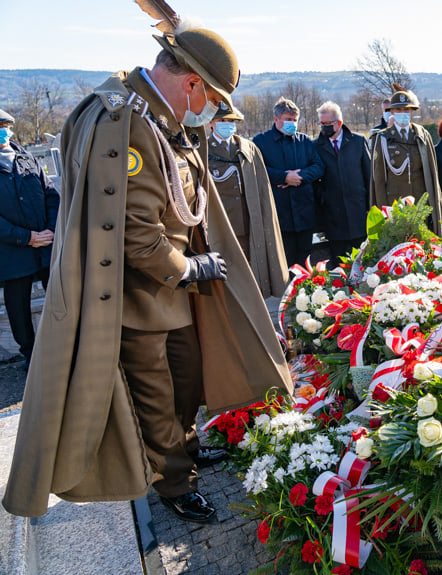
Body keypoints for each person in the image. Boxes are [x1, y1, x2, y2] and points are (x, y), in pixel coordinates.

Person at [2, 23, 292, 522]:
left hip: (173, 295)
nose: (213, 112)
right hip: (137, 300)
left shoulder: (163, 120)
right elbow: (134, 232)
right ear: (193, 84)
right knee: (157, 399)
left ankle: (188, 448)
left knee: (186, 382)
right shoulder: (129, 124)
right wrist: (190, 265)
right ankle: (175, 484)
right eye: (214, 98)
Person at [207, 104, 288, 297]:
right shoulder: (203, 150)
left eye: (231, 121)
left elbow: (262, 190)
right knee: (227, 280)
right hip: (222, 228)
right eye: (222, 121)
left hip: (248, 225)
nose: (227, 125)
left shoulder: (248, 149)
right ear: (211, 122)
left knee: (251, 279)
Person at [0, 109, 59, 370]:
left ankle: (61, 350)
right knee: (18, 308)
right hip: (13, 252)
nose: (4, 132)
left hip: (45, 246)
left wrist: (50, 229)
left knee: (59, 298)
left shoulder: (25, 157)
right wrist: (26, 237)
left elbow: (50, 195)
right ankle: (31, 358)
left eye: (6, 126)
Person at [253, 98, 324, 266]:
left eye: (295, 120)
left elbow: (319, 166)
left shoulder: (305, 141)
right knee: (284, 259)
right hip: (279, 213)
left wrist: (300, 177)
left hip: (304, 211)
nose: (292, 123)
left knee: (305, 259)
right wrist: (283, 177)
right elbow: (256, 169)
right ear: (276, 119)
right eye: (288, 119)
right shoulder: (261, 142)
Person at [370, 85, 442, 236]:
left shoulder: (422, 135)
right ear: (391, 112)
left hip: (420, 204)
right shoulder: (382, 138)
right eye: (398, 110)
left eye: (406, 110)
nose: (403, 114)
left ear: (412, 112)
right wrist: (382, 209)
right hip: (395, 206)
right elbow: (378, 179)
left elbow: (431, 174)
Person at [313, 101, 371, 263]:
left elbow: (369, 176)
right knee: (339, 263)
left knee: (362, 261)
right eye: (321, 123)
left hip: (358, 213)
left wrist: (369, 206)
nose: (323, 127)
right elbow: (314, 182)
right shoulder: (316, 146)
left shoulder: (358, 142)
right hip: (333, 217)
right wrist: (324, 198)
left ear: (338, 123)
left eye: (327, 123)